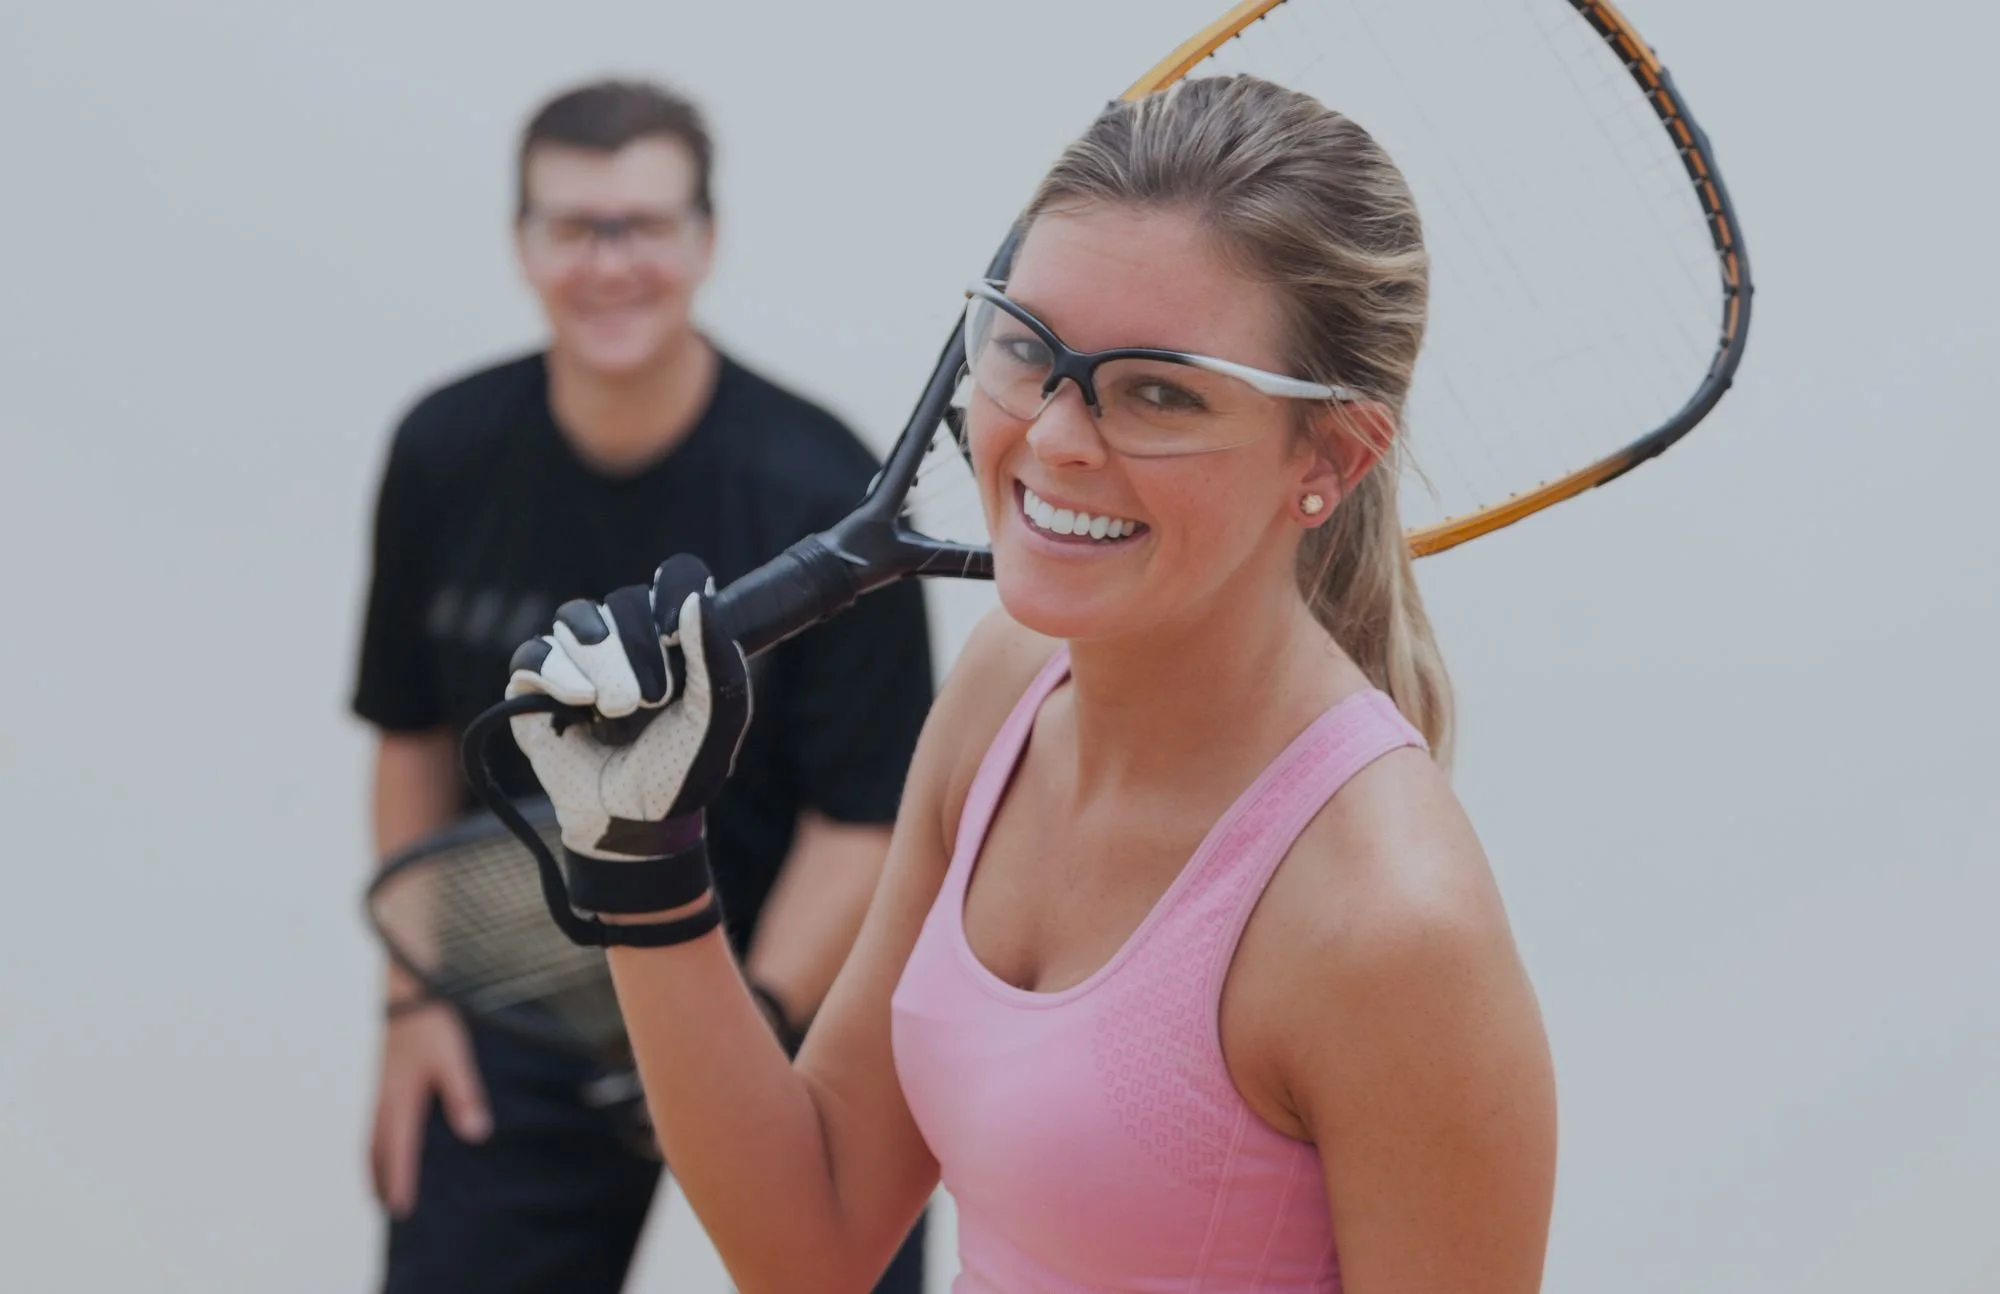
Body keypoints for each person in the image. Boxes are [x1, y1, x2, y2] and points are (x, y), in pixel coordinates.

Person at [504, 75, 1558, 1292]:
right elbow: (811, 1242)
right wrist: (644, 866)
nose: (1054, 437)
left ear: (1330, 453)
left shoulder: (1390, 923)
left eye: (1158, 389)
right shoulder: (1007, 684)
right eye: (1025, 348)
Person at [352, 80, 932, 1292]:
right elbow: (411, 739)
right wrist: (414, 1005)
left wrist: (744, 1030)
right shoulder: (443, 451)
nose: (609, 264)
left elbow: (864, 819)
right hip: (532, 993)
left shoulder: (820, 486)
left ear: (703, 241)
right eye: (574, 226)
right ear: (522, 243)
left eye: (644, 226)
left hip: (789, 997)